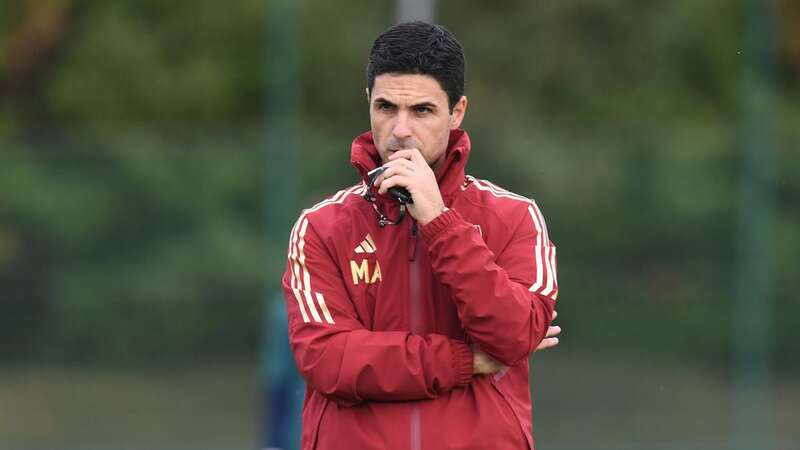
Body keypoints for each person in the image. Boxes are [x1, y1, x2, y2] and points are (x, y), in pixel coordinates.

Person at [281, 21, 560, 450]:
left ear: (457, 112)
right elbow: (328, 360)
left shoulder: (515, 216)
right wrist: (462, 361)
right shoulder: (321, 227)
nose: (400, 130)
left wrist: (439, 221)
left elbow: (512, 336)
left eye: (422, 111)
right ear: (368, 104)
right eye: (386, 107)